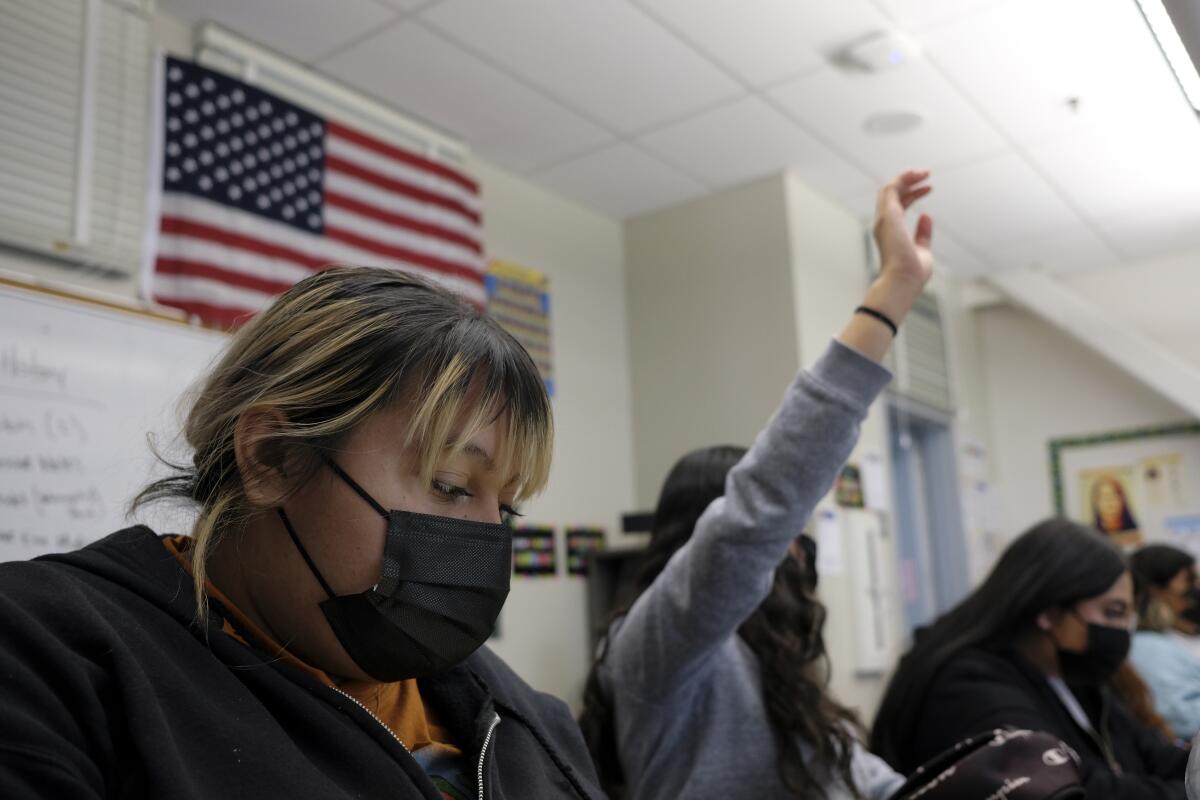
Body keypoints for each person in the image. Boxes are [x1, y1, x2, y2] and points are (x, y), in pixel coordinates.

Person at [0, 267, 604, 799]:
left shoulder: (530, 721)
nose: (485, 540)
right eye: (449, 484)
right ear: (273, 457)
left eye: (507, 508)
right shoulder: (47, 655)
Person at [578, 170, 936, 799]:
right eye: (785, 534)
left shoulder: (769, 661)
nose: (794, 548)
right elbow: (759, 511)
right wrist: (894, 289)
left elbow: (852, 776)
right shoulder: (655, 648)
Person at [871, 520, 1189, 799]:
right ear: (1050, 612)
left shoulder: (1073, 673)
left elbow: (1154, 754)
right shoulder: (967, 688)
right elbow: (1074, 789)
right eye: (1113, 612)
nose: (1124, 629)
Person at [1129, 544, 1200, 740]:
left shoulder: (1177, 635)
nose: (1194, 591)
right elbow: (1181, 717)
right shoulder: (1148, 647)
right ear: (1155, 590)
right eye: (1188, 581)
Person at [1092, 475, 1141, 545]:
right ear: (1096, 502)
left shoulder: (1134, 531)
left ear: (1122, 500)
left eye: (1114, 495)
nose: (1110, 501)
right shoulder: (1091, 535)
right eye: (1105, 496)